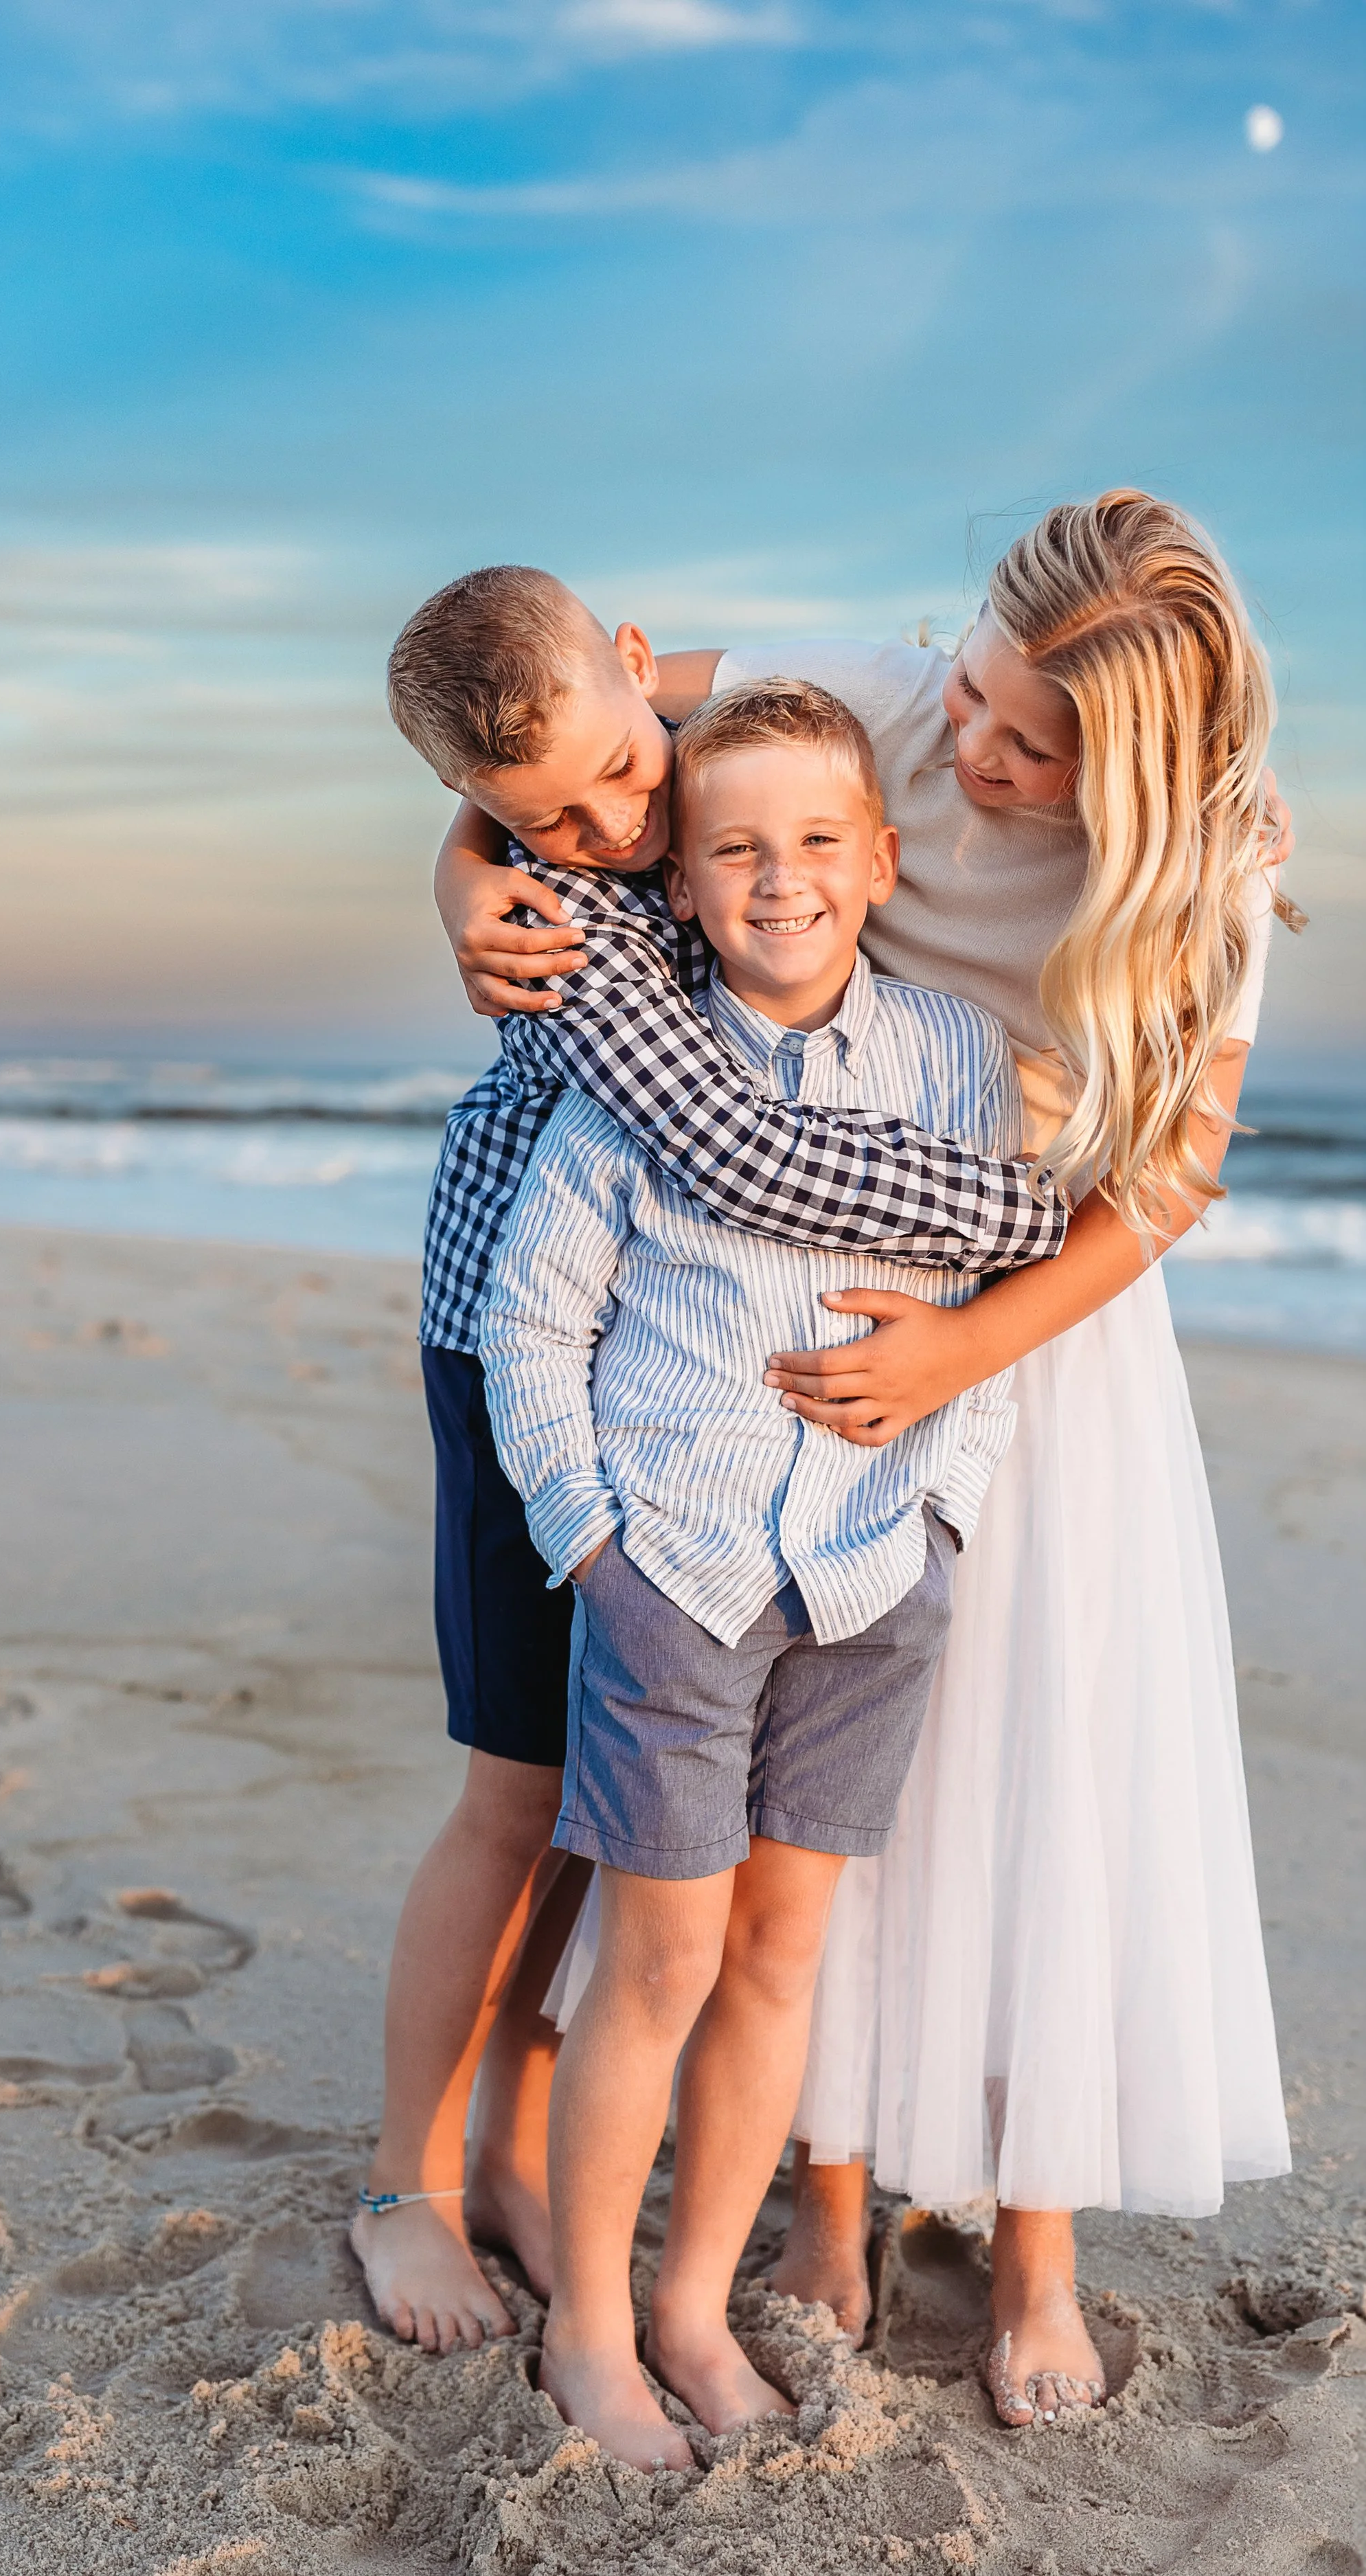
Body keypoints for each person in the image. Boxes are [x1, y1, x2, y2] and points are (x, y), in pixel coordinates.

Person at [435, 491, 1299, 2428]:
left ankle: (1033, 2244)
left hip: (1030, 1330)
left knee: (1037, 1786)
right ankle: (820, 2204)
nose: (982, 748)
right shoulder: (887, 696)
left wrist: (959, 1352)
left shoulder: (1209, 873)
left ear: (1143, 777)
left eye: (1033, 745)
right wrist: (459, 865)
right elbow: (588, 729)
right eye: (980, 697)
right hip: (768, 1356)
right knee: (834, 1846)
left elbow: (1171, 1170)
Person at [358, 568, 1066, 2355]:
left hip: (695, 1396)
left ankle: (519, 2146)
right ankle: (407, 2180)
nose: (604, 829)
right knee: (519, 1793)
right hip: (524, 1339)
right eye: (540, 824)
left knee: (613, 1833)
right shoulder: (575, 910)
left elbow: (919, 709)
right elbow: (735, 1151)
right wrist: (1024, 1222)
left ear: (636, 665)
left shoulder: (712, 763)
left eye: (617, 777)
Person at [480, 679, 1022, 2471]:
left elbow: (980, 1322)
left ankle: (695, 2307)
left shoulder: (949, 1057)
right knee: (660, 1956)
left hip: (868, 1581)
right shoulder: (641, 1074)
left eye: (812, 841)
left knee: (780, 1955)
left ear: (875, 860)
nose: (777, 877)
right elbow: (531, 1321)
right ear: (688, 885)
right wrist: (593, 1544)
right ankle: (587, 2327)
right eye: (734, 849)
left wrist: (932, 1499)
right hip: (678, 1573)